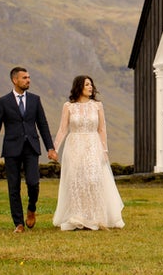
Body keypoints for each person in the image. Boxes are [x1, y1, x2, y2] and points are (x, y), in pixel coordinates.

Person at [0, 66, 58, 233]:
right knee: (14, 187)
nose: (28, 80)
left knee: (33, 183)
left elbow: (42, 124)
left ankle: (31, 209)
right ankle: (18, 223)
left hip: (31, 148)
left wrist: (50, 147)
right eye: (25, 78)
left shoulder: (35, 100)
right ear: (15, 80)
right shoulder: (3, 102)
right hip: (11, 148)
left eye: (29, 77)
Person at [52, 75, 125, 231]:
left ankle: (96, 217)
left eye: (91, 84)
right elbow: (63, 129)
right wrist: (55, 148)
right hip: (74, 146)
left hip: (93, 145)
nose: (90, 87)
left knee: (93, 180)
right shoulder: (68, 106)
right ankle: (77, 216)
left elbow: (102, 129)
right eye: (87, 85)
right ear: (79, 87)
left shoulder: (97, 105)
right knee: (76, 180)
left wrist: (104, 150)